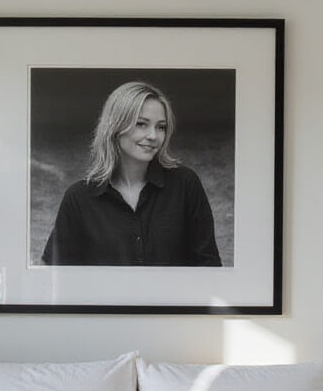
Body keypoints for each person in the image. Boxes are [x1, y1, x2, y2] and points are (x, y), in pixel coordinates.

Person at [41, 80, 221, 267]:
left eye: (161, 127)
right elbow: (54, 275)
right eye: (141, 124)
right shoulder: (78, 198)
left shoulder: (185, 185)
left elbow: (209, 266)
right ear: (115, 127)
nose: (153, 136)